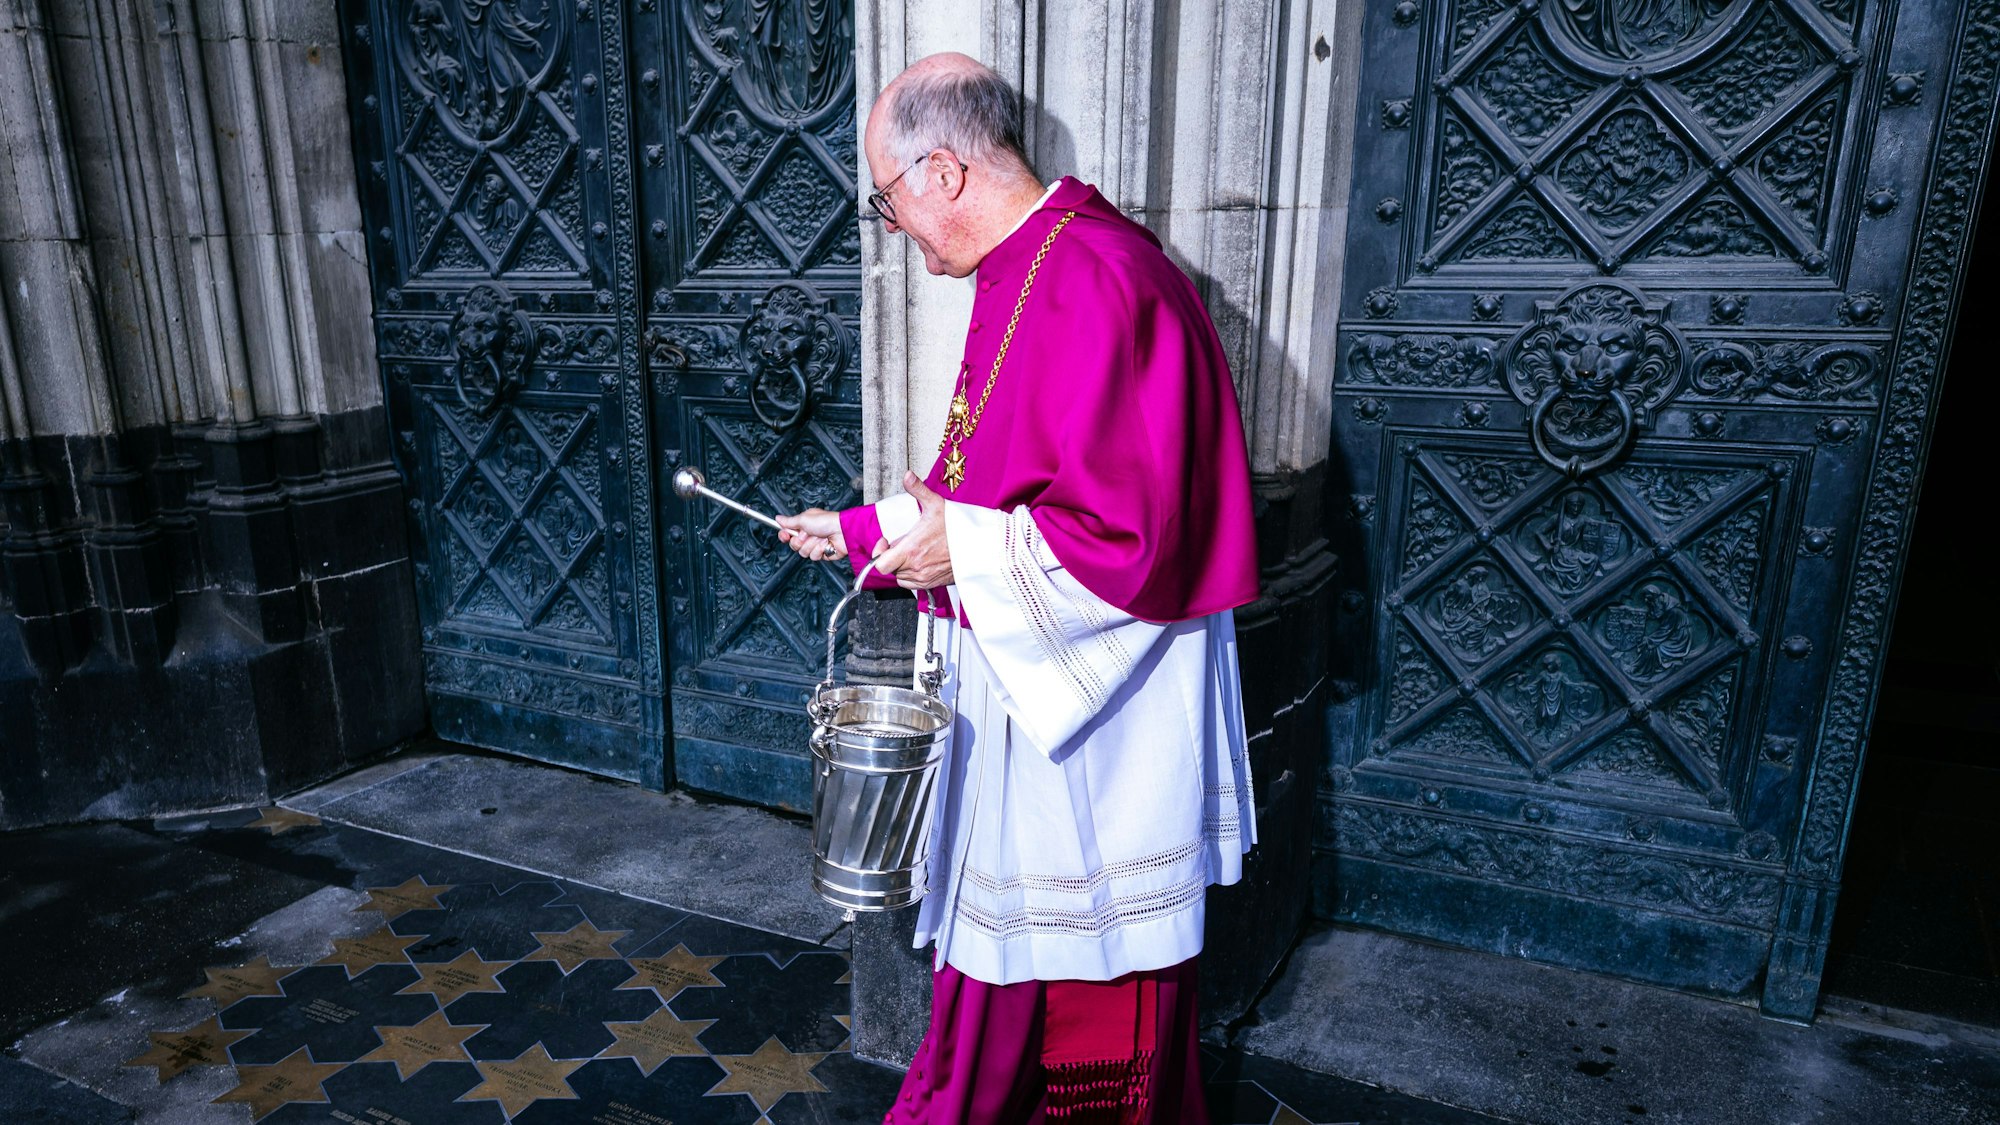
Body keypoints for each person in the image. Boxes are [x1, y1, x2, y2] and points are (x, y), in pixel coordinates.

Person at [776, 51, 1259, 1125]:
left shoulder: (1095, 276)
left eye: (888, 198)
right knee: (1012, 948)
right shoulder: (1026, 264)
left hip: (1102, 706)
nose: (890, 224)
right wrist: (860, 529)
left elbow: (1135, 535)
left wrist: (971, 553)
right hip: (1037, 683)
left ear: (943, 172)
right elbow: (995, 482)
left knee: (1085, 961)